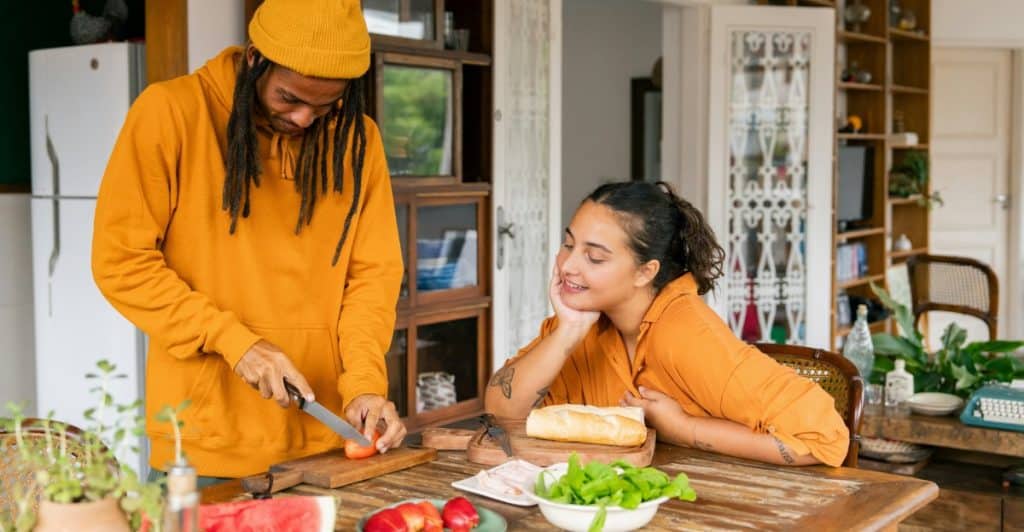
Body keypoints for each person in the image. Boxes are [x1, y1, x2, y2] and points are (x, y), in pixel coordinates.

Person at [91, 0, 406, 483]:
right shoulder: (171, 113)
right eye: (288, 99)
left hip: (326, 445)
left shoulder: (357, 141)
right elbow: (121, 263)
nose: (304, 119)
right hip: (204, 446)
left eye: (324, 106)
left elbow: (371, 280)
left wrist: (364, 384)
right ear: (255, 57)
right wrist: (237, 343)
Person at [484, 181, 850, 467]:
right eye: (568, 245)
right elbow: (500, 412)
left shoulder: (686, 334)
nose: (567, 266)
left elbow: (825, 438)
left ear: (646, 271)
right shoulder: (583, 326)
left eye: (594, 257)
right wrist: (566, 333)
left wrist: (685, 429)